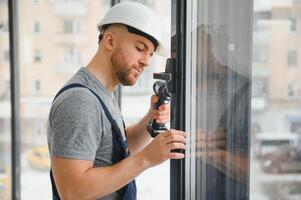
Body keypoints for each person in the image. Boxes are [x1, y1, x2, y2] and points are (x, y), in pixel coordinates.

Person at [47, 2, 186, 200]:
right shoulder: (80, 101)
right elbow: (73, 192)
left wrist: (151, 118)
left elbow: (115, 151)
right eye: (140, 48)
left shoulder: (101, 94)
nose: (146, 61)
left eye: (150, 54)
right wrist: (147, 158)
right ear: (110, 41)